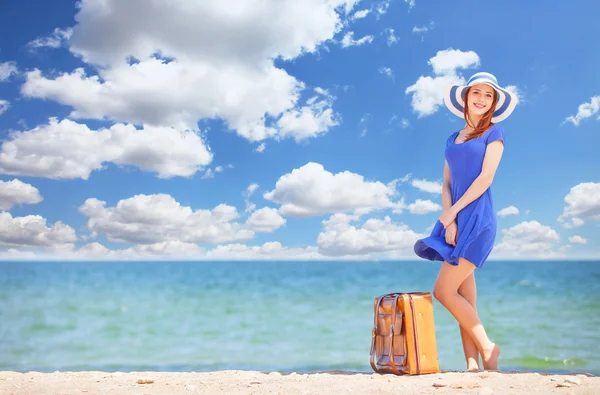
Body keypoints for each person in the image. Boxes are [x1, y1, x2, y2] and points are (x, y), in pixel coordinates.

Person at [413, 72, 517, 372]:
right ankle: (473, 363)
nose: (482, 99)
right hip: (454, 219)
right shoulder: (452, 138)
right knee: (462, 296)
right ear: (466, 97)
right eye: (477, 93)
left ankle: (487, 347)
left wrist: (455, 212)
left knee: (443, 292)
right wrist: (448, 218)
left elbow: (486, 178)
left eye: (489, 95)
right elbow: (446, 181)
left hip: (477, 218)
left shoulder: (494, 133)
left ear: (494, 103)